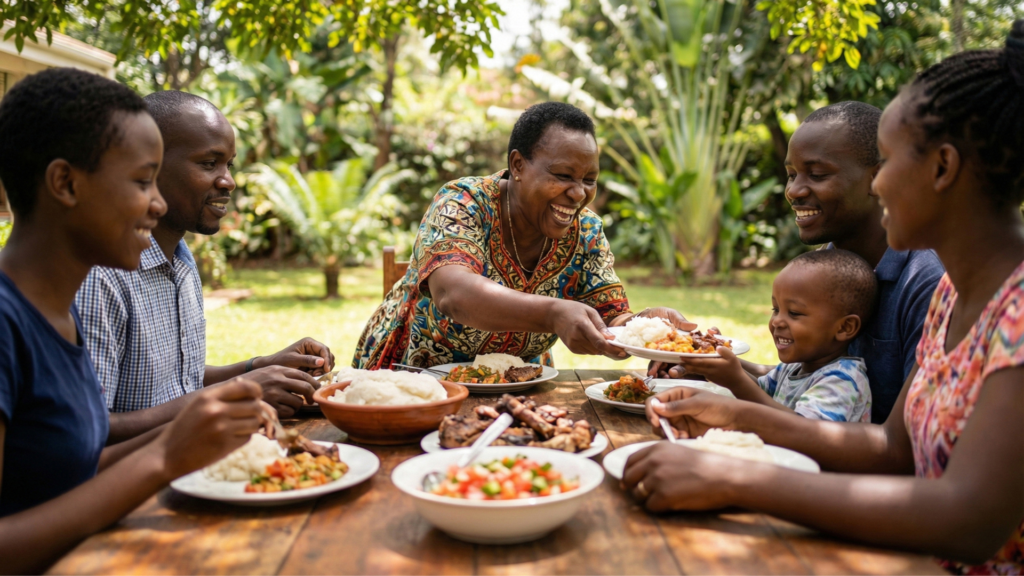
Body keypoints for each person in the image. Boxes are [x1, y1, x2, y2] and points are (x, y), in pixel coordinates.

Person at [626, 22, 1024, 573]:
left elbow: (971, 519)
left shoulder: (1014, 311)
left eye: (889, 162)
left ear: (942, 168)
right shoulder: (955, 298)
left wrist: (739, 477)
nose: (880, 186)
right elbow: (891, 448)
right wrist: (737, 410)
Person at [0, 68, 266, 574]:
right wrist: (162, 457)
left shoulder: (54, 312)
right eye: (143, 181)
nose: (159, 204)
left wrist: (195, 435)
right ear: (65, 184)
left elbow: (67, 471)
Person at [652, 101, 944, 423]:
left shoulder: (926, 283)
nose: (794, 190)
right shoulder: (827, 265)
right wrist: (706, 361)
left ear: (878, 179)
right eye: (791, 174)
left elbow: (907, 442)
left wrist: (736, 389)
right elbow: (808, 376)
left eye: (816, 174)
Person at [75, 91, 334, 442]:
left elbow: (181, 381)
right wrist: (240, 389)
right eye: (209, 163)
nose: (228, 181)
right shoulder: (101, 276)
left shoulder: (180, 259)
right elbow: (88, 433)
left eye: (229, 164)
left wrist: (259, 367)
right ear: (149, 167)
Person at [353, 102, 691, 369]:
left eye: (589, 179)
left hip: (521, 384)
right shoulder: (464, 201)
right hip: (412, 381)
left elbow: (611, 317)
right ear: (517, 165)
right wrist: (553, 314)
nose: (578, 193)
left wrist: (645, 327)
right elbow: (453, 294)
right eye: (563, 175)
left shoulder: (586, 231)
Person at [678, 249, 875, 422]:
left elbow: (805, 432)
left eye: (794, 313)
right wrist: (714, 359)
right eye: (776, 309)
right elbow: (760, 391)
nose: (777, 321)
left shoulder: (843, 380)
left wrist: (736, 380)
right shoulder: (793, 369)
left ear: (844, 328)